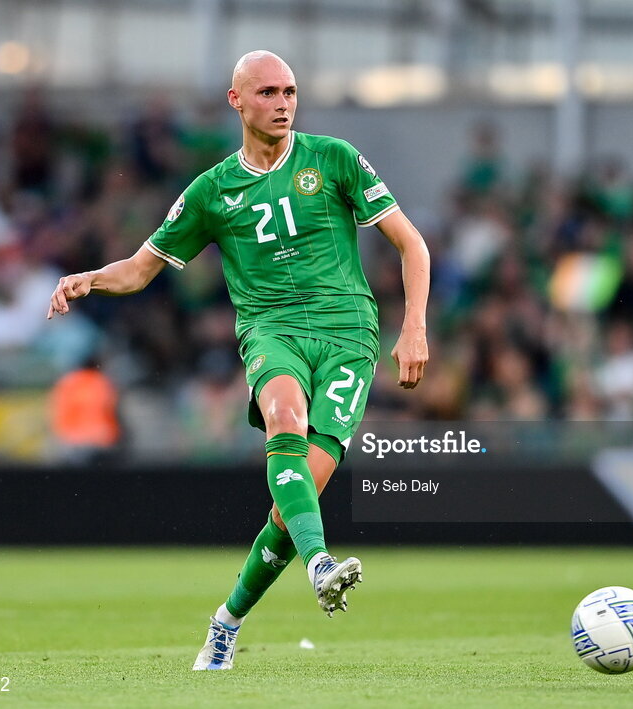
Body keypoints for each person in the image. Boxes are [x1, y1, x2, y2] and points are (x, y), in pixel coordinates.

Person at [46, 50, 430, 670]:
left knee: (290, 505)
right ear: (237, 101)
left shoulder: (333, 158)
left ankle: (226, 621)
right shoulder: (212, 190)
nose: (283, 104)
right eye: (269, 93)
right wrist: (91, 278)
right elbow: (141, 269)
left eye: (291, 91)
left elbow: (412, 243)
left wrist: (413, 329)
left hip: (349, 335)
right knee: (284, 417)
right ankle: (323, 565)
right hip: (271, 330)